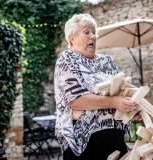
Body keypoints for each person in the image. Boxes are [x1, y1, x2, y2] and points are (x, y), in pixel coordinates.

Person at [54, 13, 141, 160]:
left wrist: (130, 108)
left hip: (115, 141)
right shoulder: (67, 60)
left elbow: (121, 91)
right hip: (84, 145)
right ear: (72, 38)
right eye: (86, 32)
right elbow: (75, 100)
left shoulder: (107, 61)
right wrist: (114, 102)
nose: (93, 36)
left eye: (94, 32)